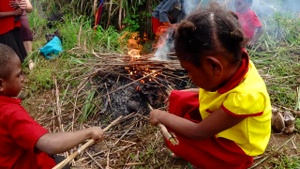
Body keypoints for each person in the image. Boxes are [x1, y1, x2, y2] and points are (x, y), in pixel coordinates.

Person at [149, 2, 271, 169]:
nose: (189, 77)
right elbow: (217, 94)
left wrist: (161, 116)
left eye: (189, 71)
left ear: (214, 66)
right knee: (178, 97)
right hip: (225, 112)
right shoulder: (233, 61)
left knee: (178, 137)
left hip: (235, 149)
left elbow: (199, 132)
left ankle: (218, 160)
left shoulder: (247, 97)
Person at [0, 43, 104, 168]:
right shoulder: (11, 113)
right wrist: (89, 132)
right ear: (1, 85)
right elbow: (49, 144)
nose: (23, 78)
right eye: (18, 75)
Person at [10, 0, 35, 69]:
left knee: (25, 27)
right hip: (4, 15)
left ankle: (29, 59)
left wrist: (24, 6)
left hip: (19, 12)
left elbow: (29, 8)